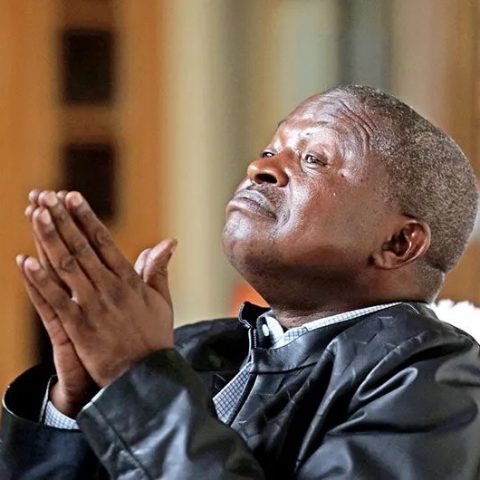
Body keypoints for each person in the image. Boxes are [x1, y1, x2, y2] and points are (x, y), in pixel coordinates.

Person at [1, 85, 480, 479]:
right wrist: (76, 408)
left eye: (313, 159)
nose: (260, 169)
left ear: (398, 243)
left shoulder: (435, 378)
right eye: (269, 150)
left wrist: (137, 381)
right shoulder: (193, 349)